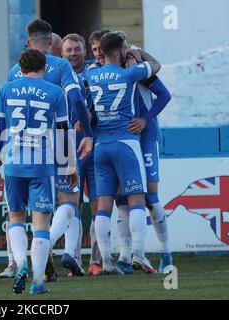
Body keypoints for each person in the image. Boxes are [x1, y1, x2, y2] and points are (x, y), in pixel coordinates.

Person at [0, 19, 93, 280]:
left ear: (28, 43)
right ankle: (51, 247)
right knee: (69, 201)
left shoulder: (10, 77)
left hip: (16, 152)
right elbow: (75, 98)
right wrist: (86, 132)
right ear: (51, 42)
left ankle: (16, 262)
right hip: (53, 148)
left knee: (16, 214)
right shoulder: (60, 67)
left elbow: (0, 123)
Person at [0, 48, 77, 295]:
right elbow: (63, 131)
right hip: (42, 165)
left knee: (15, 217)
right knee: (41, 224)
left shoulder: (6, 89)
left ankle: (20, 263)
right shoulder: (55, 92)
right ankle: (38, 281)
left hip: (14, 164)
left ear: (20, 66)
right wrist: (70, 165)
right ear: (44, 67)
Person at [83, 32, 161, 274]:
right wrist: (138, 54)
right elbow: (157, 65)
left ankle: (106, 261)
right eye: (124, 48)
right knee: (136, 199)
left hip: (101, 146)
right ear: (117, 52)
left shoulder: (91, 74)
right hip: (126, 143)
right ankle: (139, 254)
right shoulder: (129, 73)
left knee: (103, 205)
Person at [115, 45, 173, 274]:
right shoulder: (111, 73)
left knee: (150, 196)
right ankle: (125, 256)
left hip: (145, 137)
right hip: (122, 138)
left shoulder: (138, 70)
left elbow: (164, 95)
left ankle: (166, 253)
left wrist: (145, 119)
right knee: (123, 199)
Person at [61, 33, 101, 276]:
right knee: (71, 207)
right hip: (68, 149)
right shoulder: (58, 76)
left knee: (98, 204)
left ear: (84, 51)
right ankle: (74, 259)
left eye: (77, 49)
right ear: (62, 54)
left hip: (93, 146)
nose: (73, 53)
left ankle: (97, 259)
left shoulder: (94, 74)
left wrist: (90, 117)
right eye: (69, 50)